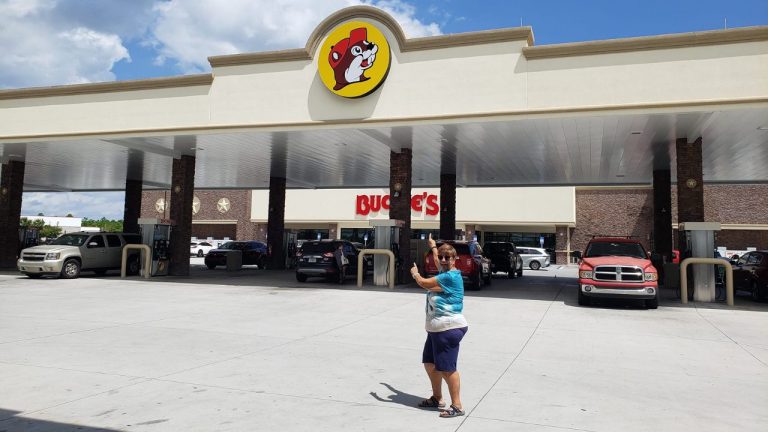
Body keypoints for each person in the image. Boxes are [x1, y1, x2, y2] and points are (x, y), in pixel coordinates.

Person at [410, 233, 468, 418]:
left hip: (448, 328)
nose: (443, 259)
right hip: (436, 329)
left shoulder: (450, 277)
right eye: (441, 256)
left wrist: (416, 274)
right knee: (429, 363)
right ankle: (437, 398)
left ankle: (457, 406)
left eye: (447, 257)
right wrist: (433, 246)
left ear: (455, 259)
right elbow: (436, 260)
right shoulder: (444, 270)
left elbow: (424, 283)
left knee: (447, 368)